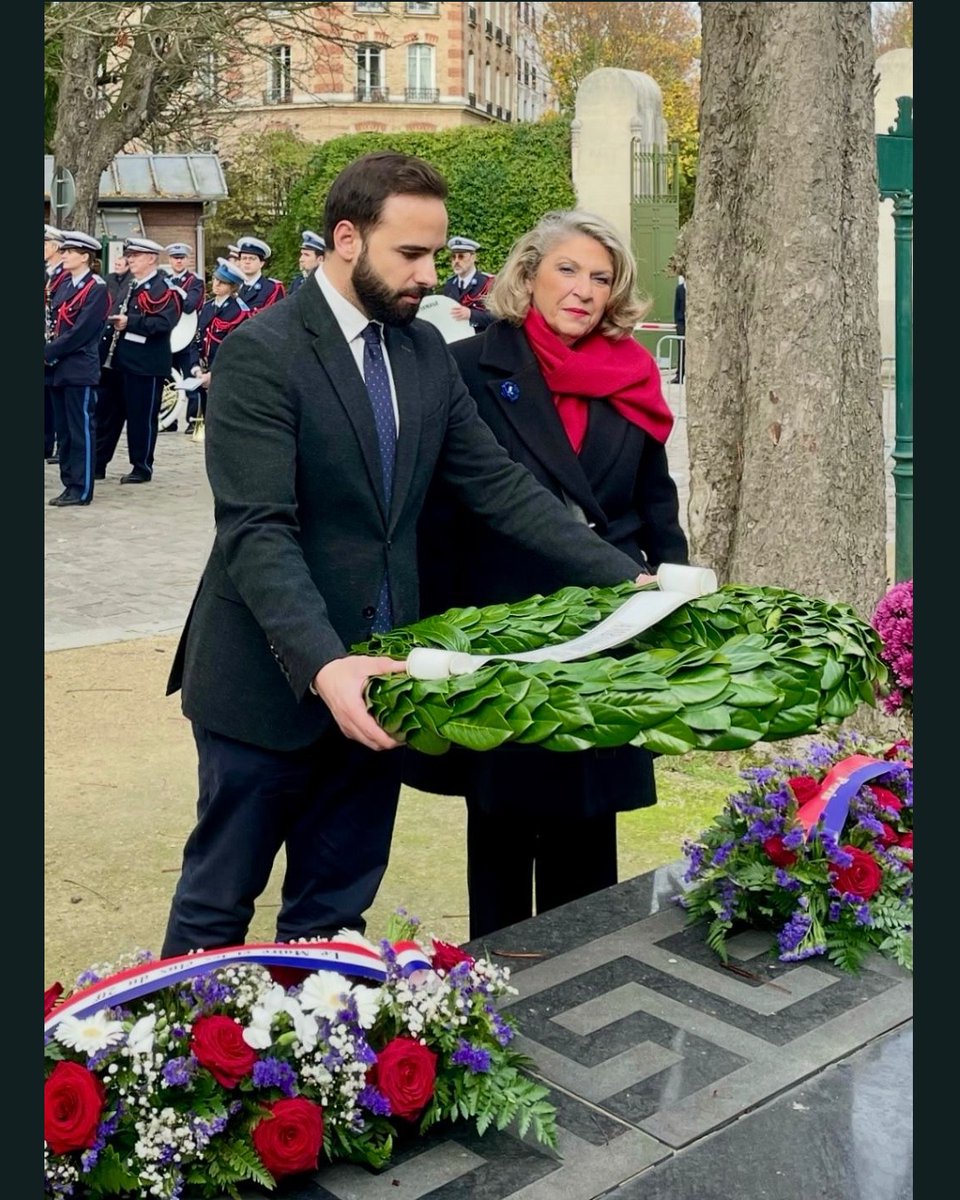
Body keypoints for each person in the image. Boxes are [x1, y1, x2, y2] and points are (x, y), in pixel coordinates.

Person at [161, 152, 647, 958]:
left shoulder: (421, 350)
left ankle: (312, 1080)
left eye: (436, 253)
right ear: (346, 239)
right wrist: (325, 666)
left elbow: (497, 484)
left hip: (387, 687)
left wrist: (629, 578)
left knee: (332, 920)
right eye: (411, 255)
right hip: (266, 685)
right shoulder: (263, 350)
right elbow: (257, 529)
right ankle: (192, 1073)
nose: (431, 274)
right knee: (217, 911)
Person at [410, 209, 689, 940]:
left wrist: (676, 596)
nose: (584, 289)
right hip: (505, 632)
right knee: (501, 834)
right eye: (568, 270)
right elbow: (441, 509)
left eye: (602, 278)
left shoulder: (632, 372)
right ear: (528, 274)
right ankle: (496, 1013)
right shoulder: (468, 366)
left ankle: (585, 1001)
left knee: (588, 836)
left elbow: (655, 501)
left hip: (609, 630)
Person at [95, 237, 181, 484]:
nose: (130, 259)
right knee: (107, 415)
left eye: (136, 255)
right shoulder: (130, 284)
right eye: (129, 255)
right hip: (118, 361)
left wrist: (130, 322)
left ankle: (141, 466)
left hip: (145, 363)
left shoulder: (165, 288)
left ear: (152, 259)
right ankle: (99, 462)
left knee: (141, 417)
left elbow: (165, 323)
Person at [43, 231, 110, 507]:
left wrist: (48, 352)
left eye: (71, 251)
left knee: (80, 428)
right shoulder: (64, 285)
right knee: (65, 430)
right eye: (65, 250)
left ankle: (81, 488)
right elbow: (53, 324)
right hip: (58, 368)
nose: (65, 255)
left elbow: (82, 332)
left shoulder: (96, 288)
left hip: (79, 367)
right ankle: (69, 482)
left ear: (85, 256)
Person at [188, 257, 250, 427]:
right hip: (203, 372)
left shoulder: (239, 311)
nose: (216, 284)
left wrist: (213, 373)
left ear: (232, 287)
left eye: (222, 283)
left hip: (225, 374)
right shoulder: (207, 307)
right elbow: (196, 338)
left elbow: (235, 349)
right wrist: (195, 367)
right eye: (215, 280)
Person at [44, 225, 69, 463]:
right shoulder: (46, 272)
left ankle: (62, 447)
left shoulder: (64, 275)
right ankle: (45, 444)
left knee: (57, 402)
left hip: (58, 344)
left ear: (55, 247)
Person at [439, 235, 495, 332]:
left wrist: (471, 314)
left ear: (473, 257)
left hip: (481, 339)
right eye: (453, 257)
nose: (456, 261)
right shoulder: (450, 284)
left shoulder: (489, 283)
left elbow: (499, 316)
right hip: (457, 339)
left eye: (461, 256)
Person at [236, 236, 286, 312]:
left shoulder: (272, 288)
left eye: (252, 258)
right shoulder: (235, 287)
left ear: (261, 263)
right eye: (244, 258)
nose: (247, 262)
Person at [288, 230, 326, 295]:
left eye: (306, 255)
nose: (300, 259)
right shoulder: (297, 282)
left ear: (320, 259)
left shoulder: (329, 284)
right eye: (301, 254)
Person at [670, 258, 686, 383]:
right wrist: (677, 322)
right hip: (682, 323)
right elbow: (676, 307)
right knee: (682, 349)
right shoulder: (680, 289)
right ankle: (679, 375)